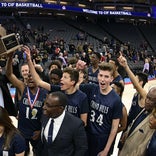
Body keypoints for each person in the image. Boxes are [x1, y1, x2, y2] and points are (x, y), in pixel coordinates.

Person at [24, 46, 89, 126]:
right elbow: (39, 81)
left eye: (65, 77)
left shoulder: (82, 97)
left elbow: (84, 123)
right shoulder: (59, 90)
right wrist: (29, 60)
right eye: (62, 77)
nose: (61, 79)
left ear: (72, 82)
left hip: (72, 135)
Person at [6, 52, 48, 156]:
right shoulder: (22, 88)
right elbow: (9, 74)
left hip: (36, 131)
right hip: (22, 131)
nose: (30, 78)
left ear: (38, 78)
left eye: (32, 76)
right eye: (28, 76)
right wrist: (10, 58)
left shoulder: (45, 93)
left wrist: (41, 129)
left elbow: (47, 114)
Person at [79, 62, 122, 156]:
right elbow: (74, 86)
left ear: (112, 79)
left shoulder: (116, 100)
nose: (102, 79)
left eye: (106, 77)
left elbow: (114, 128)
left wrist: (106, 150)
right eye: (101, 75)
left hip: (102, 139)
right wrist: (79, 70)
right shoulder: (92, 88)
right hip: (87, 134)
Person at [37, 91, 88, 156]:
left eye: (48, 105)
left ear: (60, 108)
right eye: (44, 103)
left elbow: (82, 148)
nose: (44, 107)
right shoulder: (45, 115)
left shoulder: (76, 124)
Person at [119, 86, 156, 156]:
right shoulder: (144, 109)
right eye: (147, 97)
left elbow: (143, 148)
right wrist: (127, 133)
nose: (147, 101)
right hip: (125, 150)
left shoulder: (153, 121)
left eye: (151, 100)